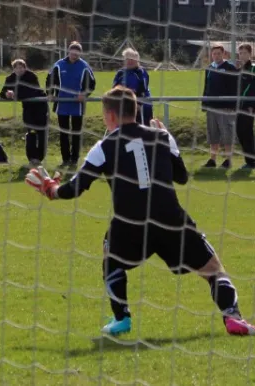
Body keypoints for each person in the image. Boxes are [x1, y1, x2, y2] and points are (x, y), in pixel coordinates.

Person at [24, 86, 255, 336]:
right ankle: (233, 317)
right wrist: (170, 141)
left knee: (110, 257)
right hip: (169, 218)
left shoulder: (104, 146)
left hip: (130, 222)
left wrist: (51, 189)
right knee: (213, 269)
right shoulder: (162, 137)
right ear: (136, 110)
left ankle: (121, 317)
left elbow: (75, 188)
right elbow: (182, 177)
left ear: (110, 115)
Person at [113, 48, 153, 125]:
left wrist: (138, 103)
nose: (130, 61)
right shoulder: (120, 73)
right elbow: (114, 88)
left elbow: (143, 89)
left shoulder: (141, 72)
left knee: (142, 129)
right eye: (127, 59)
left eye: (132, 58)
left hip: (141, 106)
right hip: (125, 106)